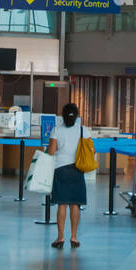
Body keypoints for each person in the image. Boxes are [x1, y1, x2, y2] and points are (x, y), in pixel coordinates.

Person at [47, 102, 86, 248]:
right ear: (76, 116)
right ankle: (74, 237)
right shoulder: (83, 130)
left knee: (62, 204)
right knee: (74, 204)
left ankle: (60, 237)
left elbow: (51, 152)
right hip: (77, 169)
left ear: (62, 116)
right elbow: (91, 149)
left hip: (60, 169)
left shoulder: (56, 130)